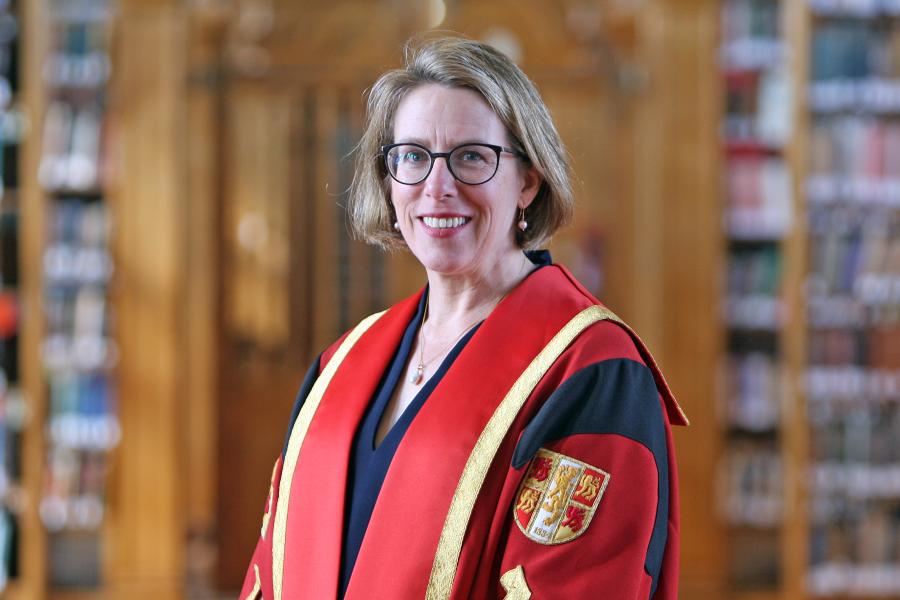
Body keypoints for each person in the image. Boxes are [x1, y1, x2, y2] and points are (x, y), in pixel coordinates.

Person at [240, 35, 688, 600]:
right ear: (388, 181)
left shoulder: (591, 372)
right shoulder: (342, 363)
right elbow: (270, 571)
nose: (437, 187)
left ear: (529, 181)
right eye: (412, 157)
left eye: (471, 157)